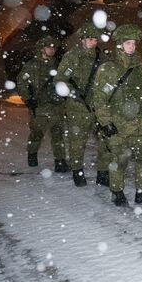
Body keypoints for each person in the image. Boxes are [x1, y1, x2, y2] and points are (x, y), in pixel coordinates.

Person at [92, 24, 142, 207]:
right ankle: (117, 191)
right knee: (119, 160)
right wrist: (105, 122)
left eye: (134, 43)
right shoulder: (109, 69)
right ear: (120, 45)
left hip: (139, 125)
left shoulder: (141, 69)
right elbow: (99, 98)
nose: (132, 47)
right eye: (128, 43)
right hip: (118, 125)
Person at [56, 23, 110, 187]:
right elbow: (60, 80)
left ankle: (102, 173)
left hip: (98, 107)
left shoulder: (101, 58)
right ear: (82, 40)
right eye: (90, 39)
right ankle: (77, 171)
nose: (93, 43)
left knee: (105, 141)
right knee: (78, 141)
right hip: (77, 107)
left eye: (95, 39)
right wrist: (74, 93)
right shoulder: (72, 57)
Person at [17, 35, 69, 173]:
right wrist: (28, 99)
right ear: (41, 49)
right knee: (36, 134)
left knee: (57, 134)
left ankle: (60, 161)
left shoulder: (59, 65)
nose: (52, 49)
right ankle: (32, 154)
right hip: (39, 107)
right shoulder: (32, 66)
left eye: (53, 47)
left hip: (56, 106)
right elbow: (21, 82)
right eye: (48, 47)